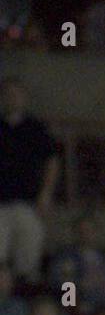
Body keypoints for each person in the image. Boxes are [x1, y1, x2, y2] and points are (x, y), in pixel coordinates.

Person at [0, 77, 61, 282]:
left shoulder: (35, 128)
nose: (12, 98)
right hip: (1, 204)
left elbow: (51, 161)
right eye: (8, 94)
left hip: (28, 204)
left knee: (27, 261)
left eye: (16, 94)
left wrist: (45, 194)